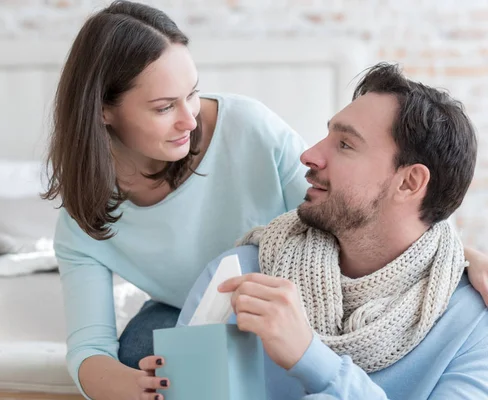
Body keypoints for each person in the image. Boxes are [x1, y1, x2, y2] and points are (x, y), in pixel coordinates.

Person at [43, 1, 488, 399]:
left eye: (194, 93)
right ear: (104, 109)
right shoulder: (88, 224)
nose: (189, 118)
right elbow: (89, 346)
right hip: (220, 302)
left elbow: (373, 218)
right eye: (163, 107)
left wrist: (461, 258)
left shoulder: (247, 129)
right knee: (143, 345)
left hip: (291, 291)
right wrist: (128, 385)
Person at [142, 63, 488, 399]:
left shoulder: (470, 321)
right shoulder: (239, 278)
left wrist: (310, 357)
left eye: (345, 145)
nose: (309, 155)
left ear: (409, 182)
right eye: (327, 136)